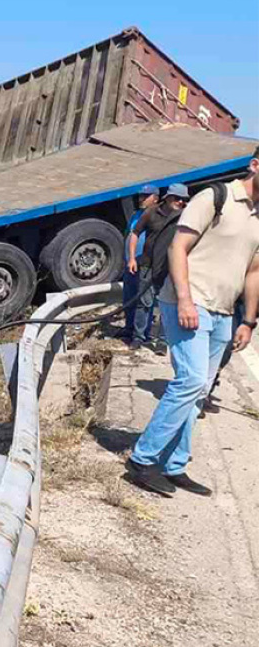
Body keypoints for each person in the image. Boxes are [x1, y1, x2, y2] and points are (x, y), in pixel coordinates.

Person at [126, 150, 259, 497]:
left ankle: (175, 465)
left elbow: (254, 270)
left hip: (224, 312)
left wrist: (248, 320)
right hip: (189, 302)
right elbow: (178, 248)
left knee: (200, 389)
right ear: (255, 166)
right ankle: (142, 459)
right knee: (191, 380)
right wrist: (184, 298)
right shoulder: (216, 197)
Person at [125, 185, 189, 351]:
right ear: (167, 198)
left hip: (172, 268)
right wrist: (132, 258)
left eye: (184, 200)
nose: (181, 202)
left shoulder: (186, 216)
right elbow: (135, 233)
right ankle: (139, 337)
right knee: (144, 303)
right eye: (177, 198)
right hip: (148, 265)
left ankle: (163, 341)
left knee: (167, 305)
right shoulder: (151, 212)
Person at [122, 185, 160, 346]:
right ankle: (129, 329)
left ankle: (141, 335)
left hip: (145, 265)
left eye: (146, 196)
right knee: (128, 298)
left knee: (144, 301)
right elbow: (130, 235)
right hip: (131, 265)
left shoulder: (157, 217)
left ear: (156, 198)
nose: (141, 199)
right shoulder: (136, 216)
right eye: (140, 197)